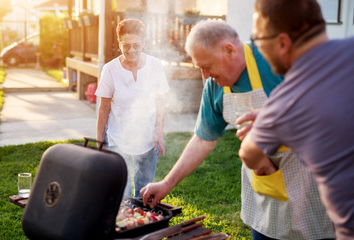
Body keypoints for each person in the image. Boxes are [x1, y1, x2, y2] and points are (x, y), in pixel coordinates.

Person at [140, 20, 334, 239]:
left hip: (310, 184)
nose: (204, 75)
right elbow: (204, 139)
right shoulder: (215, 85)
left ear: (230, 51)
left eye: (206, 66)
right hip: (264, 189)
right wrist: (167, 183)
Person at [238, 0, 354, 239]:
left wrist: (267, 122)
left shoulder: (287, 102)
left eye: (258, 40)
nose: (257, 48)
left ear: (282, 43)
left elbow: (249, 154)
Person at [95, 19, 169, 198]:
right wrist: (99, 141)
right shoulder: (110, 69)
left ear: (144, 42)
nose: (131, 50)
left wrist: (159, 133)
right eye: (126, 45)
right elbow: (104, 107)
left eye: (136, 45)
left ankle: (143, 223)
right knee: (121, 191)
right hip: (118, 137)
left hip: (147, 136)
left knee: (145, 189)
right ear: (119, 43)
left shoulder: (155, 65)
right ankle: (123, 224)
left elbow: (161, 102)